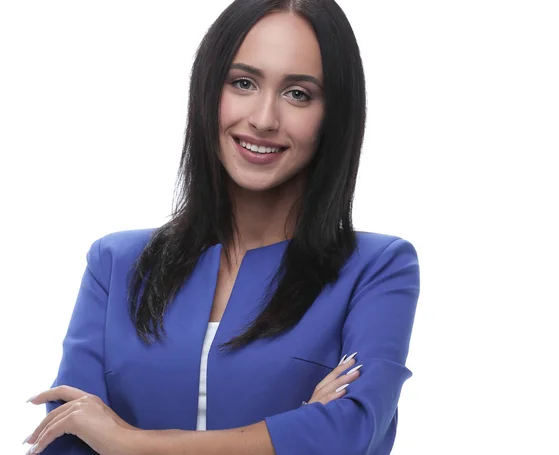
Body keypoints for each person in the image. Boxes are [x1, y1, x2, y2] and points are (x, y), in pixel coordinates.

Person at [24, 0, 420, 453]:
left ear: (334, 114)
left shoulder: (377, 268)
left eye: (298, 93)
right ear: (209, 89)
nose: (264, 118)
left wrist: (127, 442)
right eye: (244, 83)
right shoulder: (115, 264)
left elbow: (349, 433)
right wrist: (297, 427)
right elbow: (68, 435)